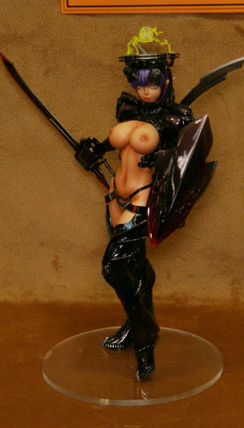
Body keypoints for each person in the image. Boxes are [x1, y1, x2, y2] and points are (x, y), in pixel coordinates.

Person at [77, 51, 194, 380]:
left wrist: (164, 159)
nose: (145, 90)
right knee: (135, 267)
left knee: (112, 267)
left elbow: (184, 162)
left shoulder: (173, 119)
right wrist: (94, 150)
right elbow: (116, 144)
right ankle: (136, 330)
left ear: (165, 82)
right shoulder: (128, 108)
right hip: (116, 195)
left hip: (142, 200)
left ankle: (145, 333)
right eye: (139, 83)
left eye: (152, 84)